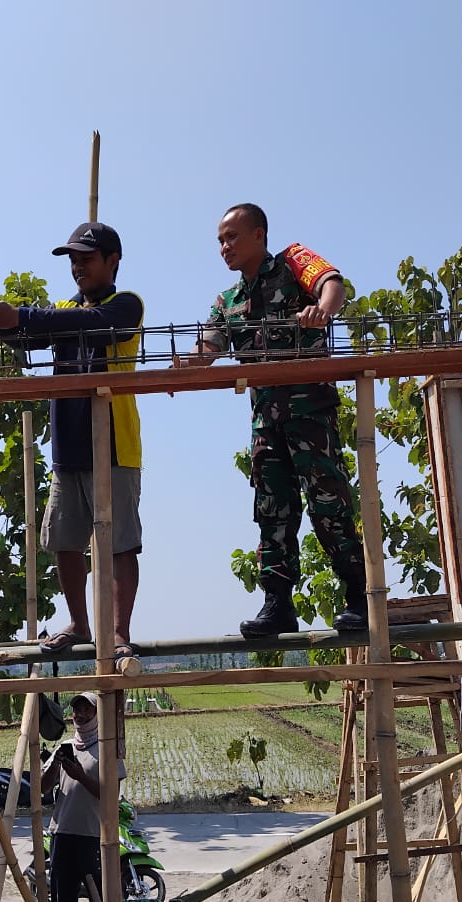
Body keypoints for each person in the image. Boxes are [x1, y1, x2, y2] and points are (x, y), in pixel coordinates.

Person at [183, 203, 368, 637]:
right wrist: (179, 367)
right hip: (266, 424)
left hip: (310, 416)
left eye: (232, 237)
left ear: (259, 235)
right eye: (220, 241)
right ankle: (277, 604)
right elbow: (205, 352)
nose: (224, 247)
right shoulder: (227, 302)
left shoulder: (293, 262)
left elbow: (332, 284)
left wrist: (322, 309)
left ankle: (359, 595)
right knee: (273, 512)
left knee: (330, 505)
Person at [0, 223, 143, 659]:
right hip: (69, 444)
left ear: (113, 261)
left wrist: (22, 316)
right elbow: (22, 334)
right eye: (73, 261)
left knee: (121, 542)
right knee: (64, 539)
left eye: (87, 258)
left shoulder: (126, 305)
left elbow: (92, 323)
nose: (78, 267)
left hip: (114, 442)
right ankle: (80, 625)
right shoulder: (64, 310)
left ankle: (118, 632)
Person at [43, 692, 124, 902]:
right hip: (62, 832)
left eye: (88, 710)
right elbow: (43, 787)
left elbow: (111, 795)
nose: (81, 714)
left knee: (100, 900)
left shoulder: (107, 748)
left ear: (98, 714)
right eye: (77, 710)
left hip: (93, 835)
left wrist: (80, 776)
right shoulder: (66, 746)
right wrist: (56, 764)